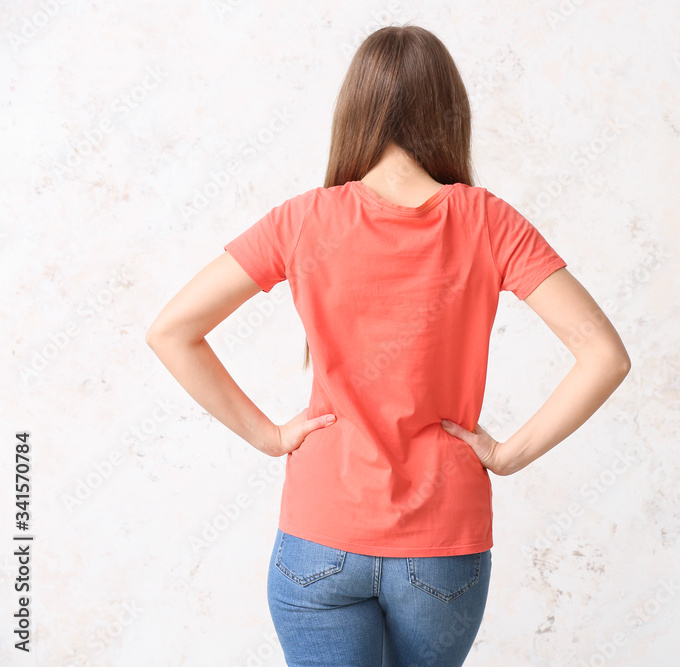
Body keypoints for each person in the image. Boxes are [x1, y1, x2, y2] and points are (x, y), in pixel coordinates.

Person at [145, 24, 630, 667]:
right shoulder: (487, 220)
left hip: (321, 534)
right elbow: (605, 355)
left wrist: (269, 436)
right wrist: (507, 455)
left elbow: (172, 331)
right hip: (443, 541)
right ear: (449, 113)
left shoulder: (303, 219)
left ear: (354, 112)